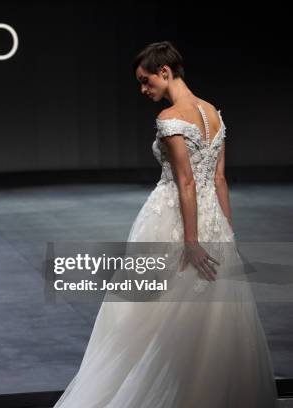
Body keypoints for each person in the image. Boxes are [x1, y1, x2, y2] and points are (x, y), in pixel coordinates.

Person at [52, 41, 279, 407]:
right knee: (207, 319)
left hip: (173, 221)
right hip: (215, 223)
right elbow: (219, 180)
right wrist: (227, 233)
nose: (144, 90)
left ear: (165, 71)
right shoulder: (214, 114)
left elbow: (186, 181)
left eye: (145, 81)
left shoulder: (170, 118)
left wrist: (190, 240)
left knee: (147, 316)